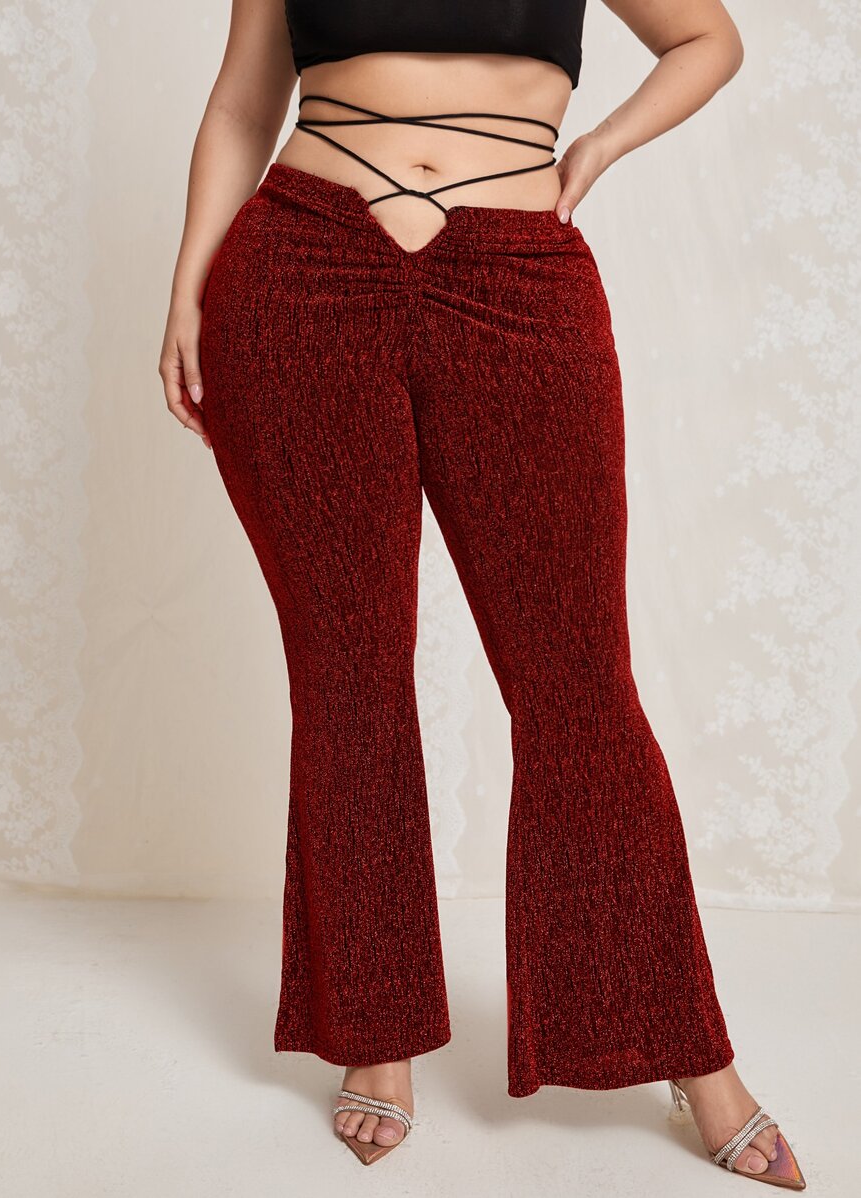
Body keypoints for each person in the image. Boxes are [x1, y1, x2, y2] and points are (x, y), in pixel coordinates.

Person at [158, 0, 806, 1184]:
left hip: (517, 274)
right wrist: (187, 287)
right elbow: (245, 106)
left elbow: (708, 39)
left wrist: (596, 148)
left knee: (579, 688)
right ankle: (377, 1034)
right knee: (349, 680)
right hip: (299, 268)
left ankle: (690, 1051)